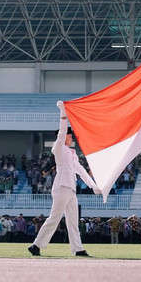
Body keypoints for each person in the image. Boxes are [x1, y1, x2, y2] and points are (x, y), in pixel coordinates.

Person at [28, 101, 102, 257]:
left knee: (73, 221)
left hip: (70, 189)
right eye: (70, 136)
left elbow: (81, 171)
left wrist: (93, 186)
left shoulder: (72, 153)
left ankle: (78, 249)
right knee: (54, 218)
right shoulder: (58, 147)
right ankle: (36, 245)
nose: (71, 138)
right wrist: (63, 113)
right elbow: (61, 132)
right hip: (62, 187)